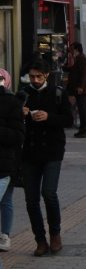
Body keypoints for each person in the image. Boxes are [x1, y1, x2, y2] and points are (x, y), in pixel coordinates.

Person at [20, 59, 73, 256]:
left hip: (52, 151)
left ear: (46, 76)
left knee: (49, 193)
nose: (34, 80)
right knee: (31, 200)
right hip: (30, 152)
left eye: (38, 76)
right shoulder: (24, 93)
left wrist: (49, 117)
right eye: (32, 76)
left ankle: (55, 234)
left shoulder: (58, 92)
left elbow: (68, 119)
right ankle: (40, 240)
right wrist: (21, 113)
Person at [0, 69, 24, 252]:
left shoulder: (12, 103)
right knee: (6, 200)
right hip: (7, 163)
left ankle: (5, 235)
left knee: (6, 199)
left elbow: (17, 136)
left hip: (5, 163)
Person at [64, 42, 86, 138]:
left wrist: (81, 86)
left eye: (72, 49)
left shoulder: (82, 59)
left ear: (77, 49)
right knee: (81, 110)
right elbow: (72, 70)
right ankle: (82, 129)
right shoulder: (77, 59)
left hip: (82, 89)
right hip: (79, 88)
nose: (71, 51)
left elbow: (84, 74)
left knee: (83, 110)